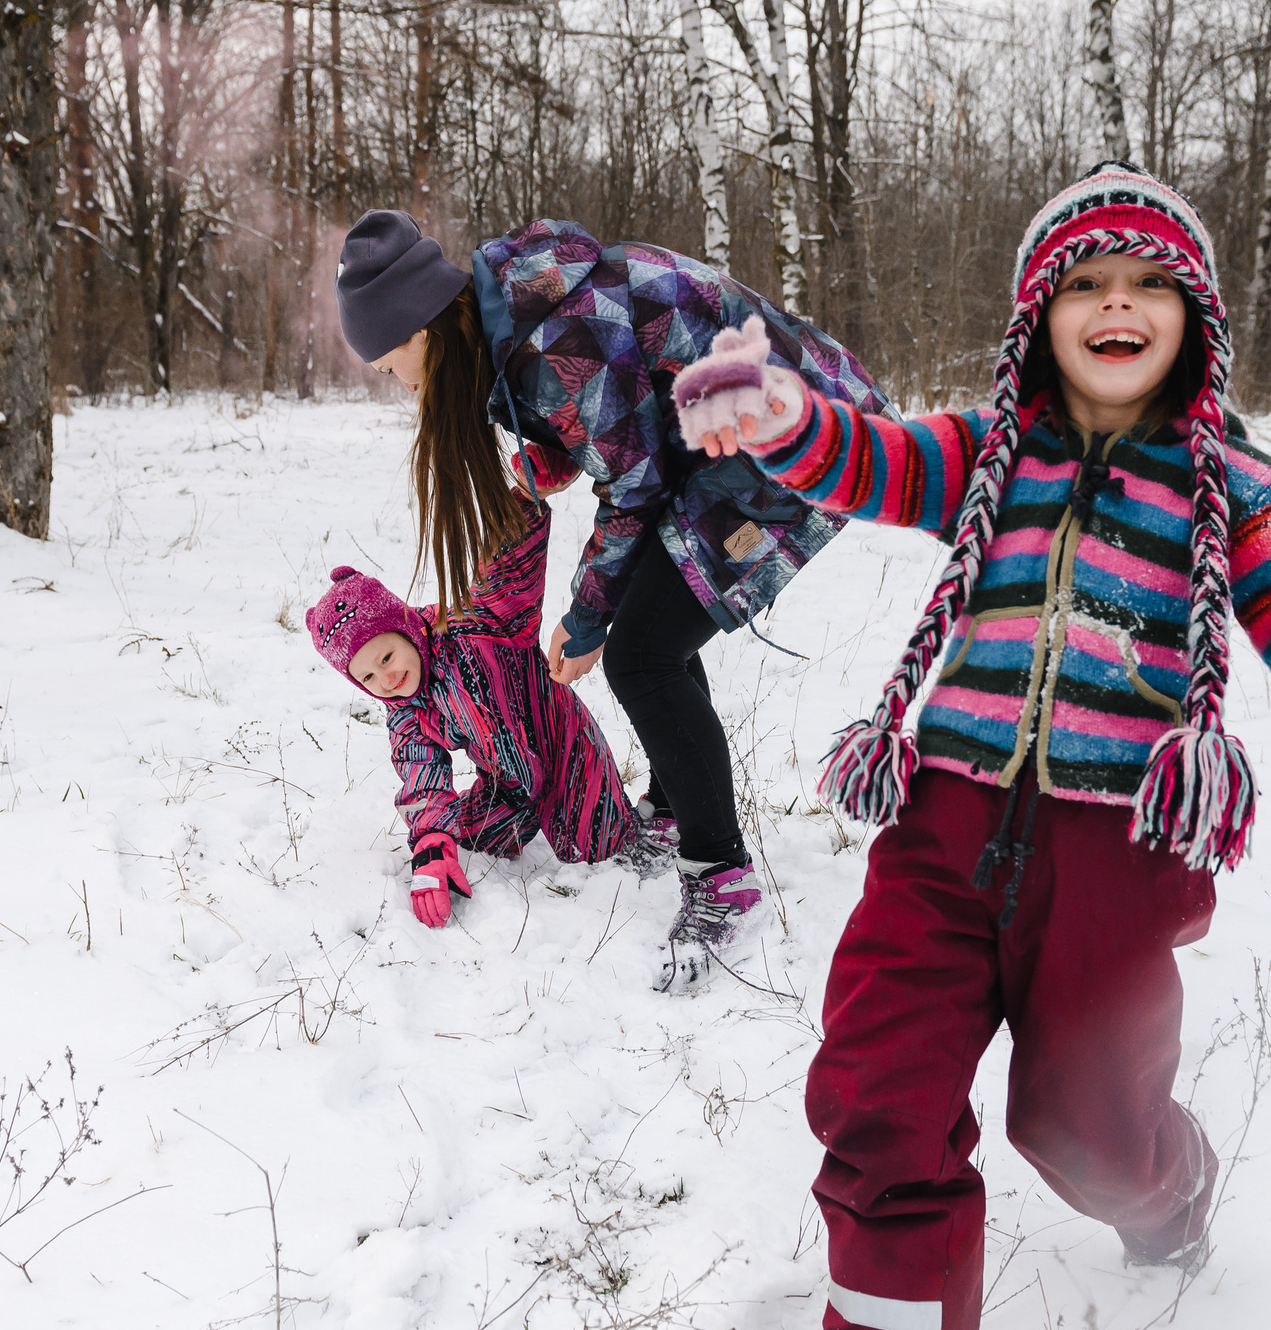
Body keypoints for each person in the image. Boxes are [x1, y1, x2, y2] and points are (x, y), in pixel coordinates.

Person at [672, 162, 1271, 1330]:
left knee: (1082, 1128)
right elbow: (863, 458)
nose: (1116, 304)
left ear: (1194, 317)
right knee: (878, 1084)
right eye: (1085, 285)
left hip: (1118, 863)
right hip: (942, 832)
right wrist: (772, 411)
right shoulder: (990, 450)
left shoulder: (1237, 488)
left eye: (1147, 284)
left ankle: (1170, 1195)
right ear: (1038, 318)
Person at [332, 208, 895, 989]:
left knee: (638, 652)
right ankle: (674, 807)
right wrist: (566, 452)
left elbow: (634, 477)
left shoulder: (553, 334)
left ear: (423, 328)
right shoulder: (510, 323)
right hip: (722, 443)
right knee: (650, 634)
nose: (401, 385)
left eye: (393, 366)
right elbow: (626, 424)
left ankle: (718, 874)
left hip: (791, 433)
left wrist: (586, 613)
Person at [307, 494, 668, 930]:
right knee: (468, 837)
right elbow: (421, 771)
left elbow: (508, 571)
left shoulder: (476, 627)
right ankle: (472, 832)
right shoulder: (406, 710)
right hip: (508, 782)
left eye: (385, 658)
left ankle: (654, 818)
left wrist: (524, 499)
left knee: (598, 852)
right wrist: (432, 846)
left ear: (402, 627)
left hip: (566, 750)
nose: (385, 680)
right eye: (366, 677)